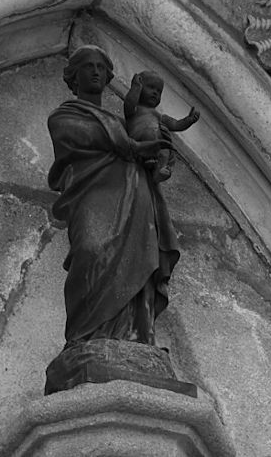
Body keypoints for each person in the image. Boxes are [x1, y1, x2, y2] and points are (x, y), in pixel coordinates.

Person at [47, 45, 180, 347]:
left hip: (134, 197)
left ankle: (134, 338)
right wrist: (132, 146)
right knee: (92, 252)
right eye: (87, 66)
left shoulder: (125, 123)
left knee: (140, 261)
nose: (95, 71)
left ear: (108, 77)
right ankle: (84, 339)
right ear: (74, 77)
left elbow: (140, 147)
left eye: (100, 67)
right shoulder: (64, 116)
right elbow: (84, 137)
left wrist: (154, 159)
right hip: (92, 195)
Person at [124, 70, 200, 183]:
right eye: (151, 87)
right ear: (140, 87)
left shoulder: (159, 116)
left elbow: (176, 124)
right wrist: (135, 87)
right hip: (139, 139)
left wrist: (189, 120)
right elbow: (128, 105)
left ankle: (158, 172)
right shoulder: (136, 109)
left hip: (155, 146)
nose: (155, 92)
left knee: (165, 150)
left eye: (159, 91)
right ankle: (148, 158)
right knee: (149, 134)